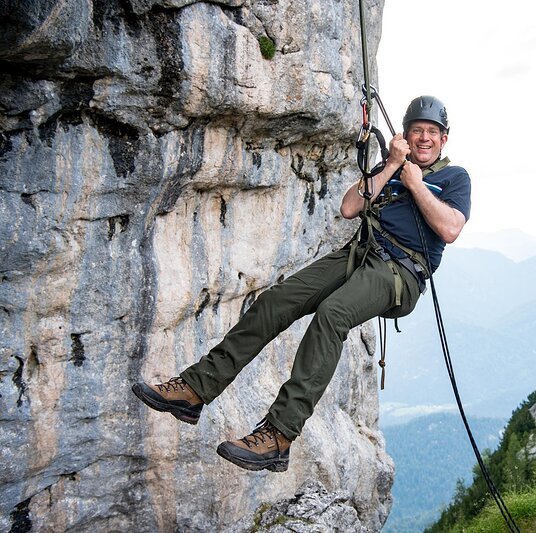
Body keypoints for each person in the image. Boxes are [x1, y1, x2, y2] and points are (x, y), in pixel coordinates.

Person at [132, 96, 471, 472]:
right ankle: (195, 390)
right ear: (405, 135)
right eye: (417, 131)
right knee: (278, 300)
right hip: (359, 254)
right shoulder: (389, 167)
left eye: (432, 133)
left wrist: (417, 184)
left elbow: (450, 228)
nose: (424, 138)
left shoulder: (455, 179)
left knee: (333, 314)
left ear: (444, 140)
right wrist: (392, 164)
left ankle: (278, 436)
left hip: (399, 273)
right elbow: (349, 208)